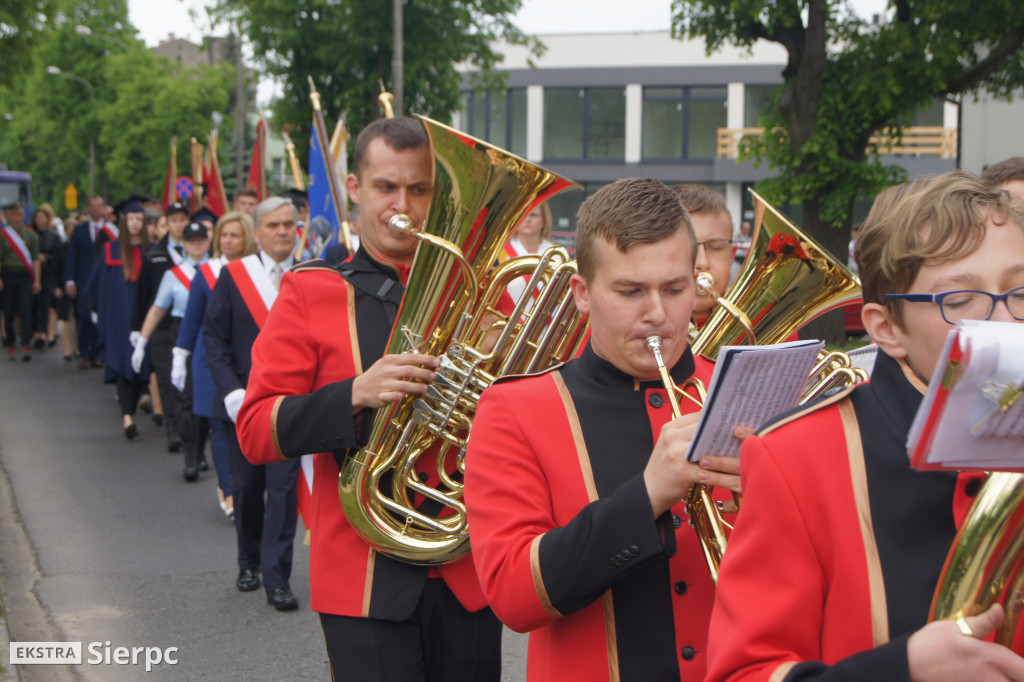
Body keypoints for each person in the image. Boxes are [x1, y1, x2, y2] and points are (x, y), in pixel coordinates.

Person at [704, 170, 1024, 682]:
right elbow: (743, 673)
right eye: (959, 301)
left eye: (1020, 291)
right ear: (886, 329)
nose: (1007, 323)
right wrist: (902, 670)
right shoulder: (797, 457)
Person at [235, 118, 503, 678]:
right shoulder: (311, 292)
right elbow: (256, 429)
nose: (401, 203)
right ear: (355, 188)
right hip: (363, 576)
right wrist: (354, 394)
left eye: (419, 188)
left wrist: (511, 369)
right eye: (385, 187)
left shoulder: (483, 294)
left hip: (467, 571)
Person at [464, 178, 743, 680]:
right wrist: (647, 495)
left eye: (675, 289)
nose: (657, 314)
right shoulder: (513, 409)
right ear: (581, 294)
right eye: (630, 291)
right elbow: (512, 596)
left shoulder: (737, 392)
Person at [204, 196, 302, 612]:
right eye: (273, 225)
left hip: (292, 407)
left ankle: (277, 577)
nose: (282, 232)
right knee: (246, 489)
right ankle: (248, 560)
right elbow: (215, 338)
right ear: (258, 231)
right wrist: (230, 391)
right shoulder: (234, 275)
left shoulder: (310, 274)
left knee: (283, 493)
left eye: (288, 225)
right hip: (243, 404)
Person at [173, 211, 257, 514]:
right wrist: (179, 356)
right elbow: (192, 321)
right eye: (224, 235)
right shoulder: (206, 272)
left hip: (251, 363)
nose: (229, 240)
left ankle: (246, 485)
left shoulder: (258, 272)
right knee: (220, 428)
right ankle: (229, 489)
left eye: (235, 234)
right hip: (212, 362)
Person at [134, 222, 211, 479]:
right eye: (192, 240)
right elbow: (157, 309)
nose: (197, 243)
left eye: (202, 238)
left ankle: (200, 450)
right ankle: (190, 455)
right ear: (185, 243)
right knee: (184, 397)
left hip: (212, 334)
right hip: (182, 334)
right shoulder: (173, 275)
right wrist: (142, 342)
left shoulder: (220, 270)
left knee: (206, 399)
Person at [81, 201, 151, 439]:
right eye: (130, 219)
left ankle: (144, 395)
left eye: (139, 219)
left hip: (145, 317)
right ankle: (127, 416)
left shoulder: (151, 251)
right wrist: (96, 310)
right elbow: (95, 284)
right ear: (123, 222)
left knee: (145, 361)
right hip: (118, 319)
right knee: (121, 363)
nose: (134, 223)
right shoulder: (111, 250)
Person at [133, 201, 189, 452]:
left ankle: (190, 426)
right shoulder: (156, 254)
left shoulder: (197, 251)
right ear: (167, 222)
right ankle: (173, 427)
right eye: (174, 220)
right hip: (162, 328)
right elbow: (143, 295)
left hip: (189, 326)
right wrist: (137, 330)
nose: (180, 224)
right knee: (166, 379)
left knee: (188, 380)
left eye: (183, 219)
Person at [672, 184, 735, 330]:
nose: (702, 262)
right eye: (687, 248)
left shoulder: (763, 323)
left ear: (732, 256)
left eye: (716, 248)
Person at [66, 195, 117, 368]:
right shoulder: (79, 230)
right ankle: (84, 352)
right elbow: (72, 256)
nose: (95, 209)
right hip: (84, 280)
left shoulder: (112, 230)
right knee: (83, 315)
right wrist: (70, 280)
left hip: (105, 280)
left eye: (99, 206)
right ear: (88, 208)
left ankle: (98, 353)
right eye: (92, 206)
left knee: (100, 315)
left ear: (104, 208)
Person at [0, 201, 41, 361]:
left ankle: (25, 345)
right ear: (8, 216)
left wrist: (37, 280)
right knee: (8, 312)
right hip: (8, 275)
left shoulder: (30, 235)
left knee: (25, 310)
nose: (17, 217)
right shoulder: (3, 235)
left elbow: (36, 259)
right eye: (13, 214)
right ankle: (10, 343)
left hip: (24, 276)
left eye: (20, 214)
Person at [497, 202, 556, 304]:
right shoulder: (500, 255)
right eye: (523, 214)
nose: (528, 219)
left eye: (533, 215)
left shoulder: (556, 254)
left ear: (544, 221)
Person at [30, 208, 62, 351]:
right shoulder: (31, 235)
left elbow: (58, 256)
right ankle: (35, 333)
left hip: (48, 274)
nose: (40, 220)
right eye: (38, 218)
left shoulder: (54, 236)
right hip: (32, 273)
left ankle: (44, 333)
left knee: (45, 304)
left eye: (43, 217)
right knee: (33, 304)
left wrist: (46, 258)